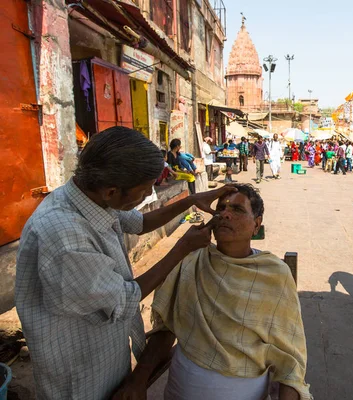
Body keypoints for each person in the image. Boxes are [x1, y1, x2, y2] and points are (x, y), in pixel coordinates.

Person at [14, 127, 236, 400]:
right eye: (144, 191)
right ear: (112, 191)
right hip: (79, 368)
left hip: (105, 348)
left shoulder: (90, 196)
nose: (148, 195)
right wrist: (182, 249)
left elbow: (141, 223)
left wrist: (190, 200)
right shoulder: (64, 235)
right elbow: (124, 298)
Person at [112, 184, 311, 400]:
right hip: (181, 387)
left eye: (237, 209)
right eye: (221, 208)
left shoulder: (274, 274)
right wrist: (138, 380)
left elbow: (291, 357)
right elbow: (167, 327)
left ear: (257, 224)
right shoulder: (191, 260)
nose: (225, 214)